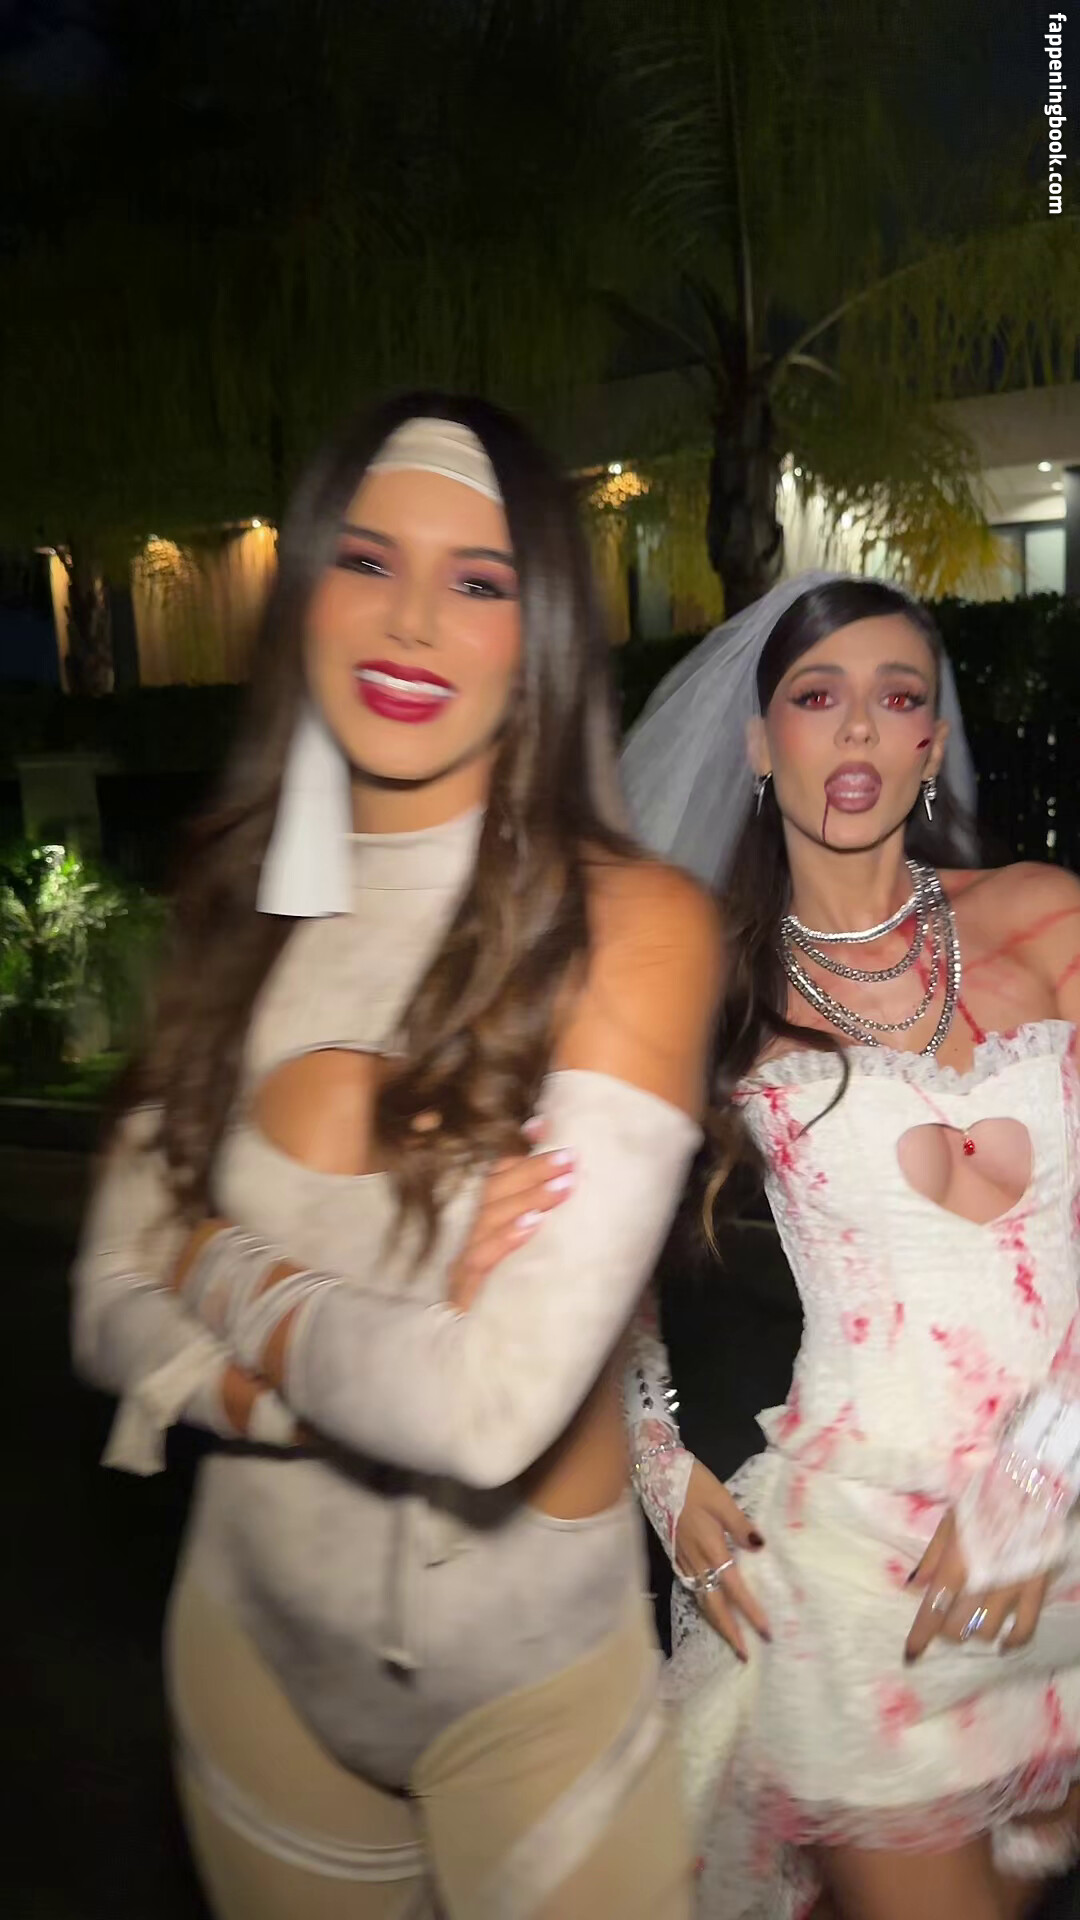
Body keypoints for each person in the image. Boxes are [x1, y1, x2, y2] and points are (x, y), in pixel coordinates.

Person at [70, 394, 722, 1920]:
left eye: (479, 580)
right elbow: (102, 1304)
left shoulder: (632, 926)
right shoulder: (235, 912)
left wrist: (209, 1264)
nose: (414, 619)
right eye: (367, 561)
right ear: (305, 592)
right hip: (249, 1661)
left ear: (540, 633)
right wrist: (317, 1375)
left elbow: (481, 1414)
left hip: (531, 1700)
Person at [619, 572, 1080, 1920]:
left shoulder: (1045, 916)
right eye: (819, 697)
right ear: (760, 742)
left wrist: (1041, 1472)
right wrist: (655, 1457)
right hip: (868, 1575)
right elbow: (594, 1246)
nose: (862, 728)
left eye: (898, 698)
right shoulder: (704, 984)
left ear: (933, 742)